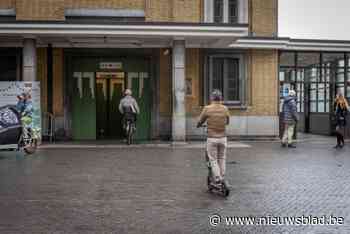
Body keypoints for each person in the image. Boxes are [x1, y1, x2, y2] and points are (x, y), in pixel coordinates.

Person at [197, 90, 230, 184]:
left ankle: (217, 178)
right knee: (222, 158)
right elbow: (227, 122)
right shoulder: (225, 108)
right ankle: (222, 176)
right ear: (221, 98)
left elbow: (200, 121)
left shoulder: (207, 108)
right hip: (223, 138)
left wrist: (198, 125)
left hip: (212, 138)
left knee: (213, 159)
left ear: (212, 98)